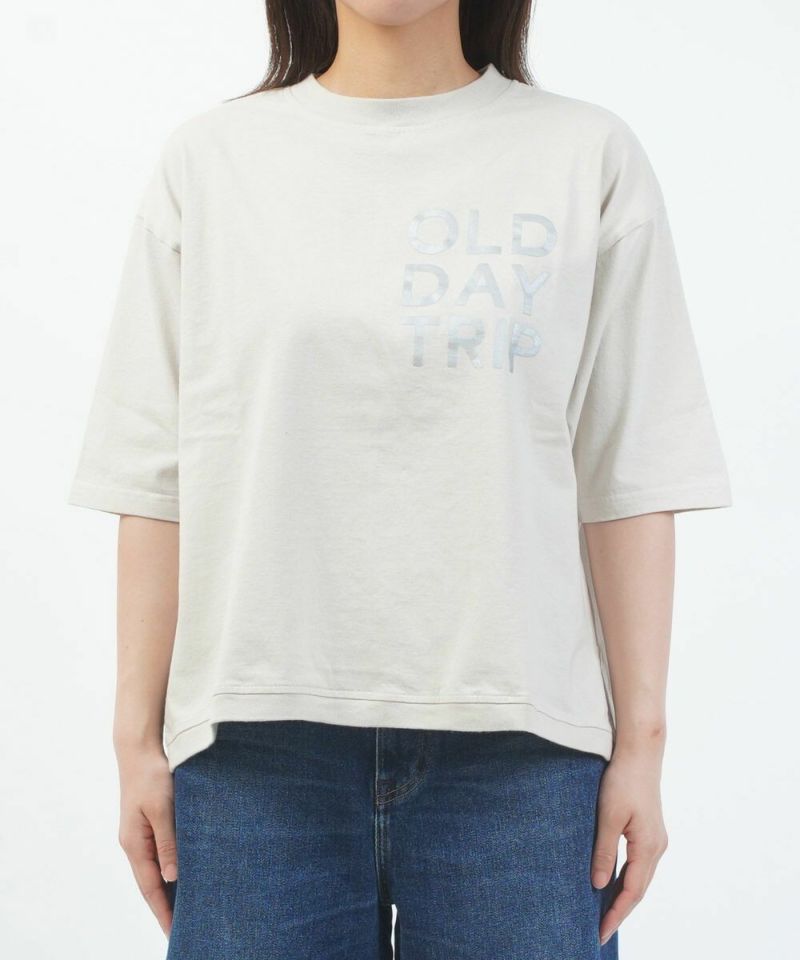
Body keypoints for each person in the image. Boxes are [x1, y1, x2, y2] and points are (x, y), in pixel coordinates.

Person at [67, 1, 732, 957]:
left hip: (524, 758)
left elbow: (627, 473)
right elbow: (155, 476)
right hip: (255, 753)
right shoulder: (211, 163)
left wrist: (642, 747)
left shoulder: (585, 157)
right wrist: (134, 742)